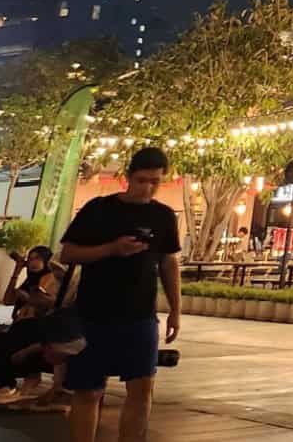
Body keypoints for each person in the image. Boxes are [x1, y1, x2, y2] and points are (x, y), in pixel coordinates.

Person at [59, 145, 183, 442]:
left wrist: (176, 309)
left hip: (140, 316)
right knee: (88, 391)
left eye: (155, 182)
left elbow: (169, 262)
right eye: (142, 180)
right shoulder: (98, 209)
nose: (148, 188)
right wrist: (112, 249)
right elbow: (68, 253)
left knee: (141, 389)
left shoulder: (164, 216)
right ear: (127, 177)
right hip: (93, 314)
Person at [0, 245, 64, 403]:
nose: (32, 262)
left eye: (37, 258)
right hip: (21, 325)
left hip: (36, 326)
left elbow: (48, 305)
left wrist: (28, 298)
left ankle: (8, 384)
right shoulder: (29, 280)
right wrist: (16, 272)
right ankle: (3, 383)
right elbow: (7, 300)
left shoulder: (51, 279)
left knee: (5, 348)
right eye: (30, 258)